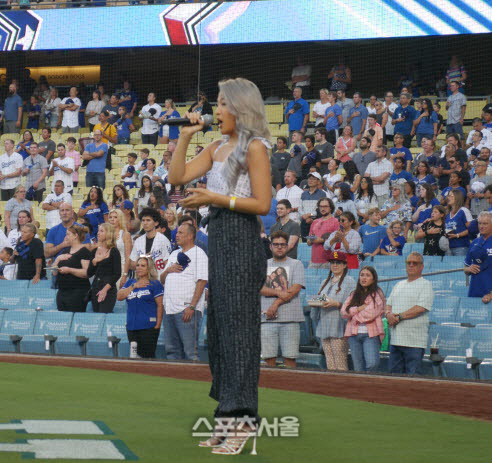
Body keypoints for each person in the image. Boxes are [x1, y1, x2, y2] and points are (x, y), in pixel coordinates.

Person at [169, 78, 271, 452]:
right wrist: (185, 136)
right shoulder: (214, 147)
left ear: (241, 108)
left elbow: (262, 204)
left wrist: (217, 197)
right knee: (221, 336)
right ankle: (227, 418)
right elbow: (177, 177)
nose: (217, 111)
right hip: (221, 243)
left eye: (223, 104)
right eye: (216, 104)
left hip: (243, 242)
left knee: (240, 334)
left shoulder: (255, 148)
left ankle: (244, 423)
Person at [161, 223, 208, 361]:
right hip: (169, 309)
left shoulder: (199, 253)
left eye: (181, 233)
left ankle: (193, 380)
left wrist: (192, 306)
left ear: (190, 235)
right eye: (177, 232)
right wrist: (168, 270)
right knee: (171, 351)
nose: (177, 235)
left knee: (190, 352)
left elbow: (202, 281)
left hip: (186, 309)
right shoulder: (174, 253)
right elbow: (162, 280)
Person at [260, 231, 304, 368]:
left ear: (287, 246)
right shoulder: (263, 264)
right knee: (268, 359)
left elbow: (295, 288)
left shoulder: (297, 264)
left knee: (290, 358)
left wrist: (275, 303)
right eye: (276, 244)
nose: (279, 247)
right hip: (266, 319)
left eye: (283, 245)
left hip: (290, 319)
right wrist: (279, 293)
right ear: (271, 246)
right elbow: (259, 287)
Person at [385, 252, 434, 375]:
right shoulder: (398, 285)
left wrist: (398, 317)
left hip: (414, 342)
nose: (411, 265)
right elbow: (388, 304)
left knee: (413, 378)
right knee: (394, 378)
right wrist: (388, 315)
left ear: (421, 266)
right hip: (396, 340)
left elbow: (420, 308)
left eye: (415, 263)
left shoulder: (426, 285)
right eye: (409, 263)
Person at [310, 251, 356, 371]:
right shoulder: (325, 281)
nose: (335, 265)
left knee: (340, 363)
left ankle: (342, 388)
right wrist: (315, 302)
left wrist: (336, 304)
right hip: (325, 324)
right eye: (332, 262)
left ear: (344, 265)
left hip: (339, 325)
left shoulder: (349, 281)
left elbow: (353, 305)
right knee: (330, 363)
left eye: (338, 263)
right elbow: (319, 300)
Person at [341, 266, 385, 372]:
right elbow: (343, 312)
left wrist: (352, 313)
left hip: (370, 335)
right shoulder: (353, 294)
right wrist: (360, 308)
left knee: (372, 363)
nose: (364, 278)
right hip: (353, 335)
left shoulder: (378, 294)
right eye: (362, 275)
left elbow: (370, 314)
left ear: (373, 279)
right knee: (358, 368)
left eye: (368, 275)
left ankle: (370, 386)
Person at [117, 256, 163, 358]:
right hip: (132, 327)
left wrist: (158, 325)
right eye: (137, 265)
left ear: (149, 268)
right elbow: (119, 296)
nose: (139, 268)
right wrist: (134, 286)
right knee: (134, 356)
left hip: (148, 327)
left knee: (148, 357)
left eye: (143, 266)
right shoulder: (130, 282)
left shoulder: (155, 283)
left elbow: (160, 305)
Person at [53, 225, 92, 312]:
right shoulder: (65, 251)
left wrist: (70, 270)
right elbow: (54, 273)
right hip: (62, 291)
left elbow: (86, 273)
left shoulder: (84, 252)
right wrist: (58, 259)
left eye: (68, 234)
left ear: (75, 236)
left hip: (77, 292)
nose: (65, 237)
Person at [87, 223, 121, 313]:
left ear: (109, 234)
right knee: (96, 316)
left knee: (104, 313)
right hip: (96, 288)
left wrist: (105, 290)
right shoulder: (94, 251)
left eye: (101, 231)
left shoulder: (114, 251)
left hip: (108, 289)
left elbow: (117, 274)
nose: (98, 233)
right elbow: (89, 273)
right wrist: (94, 262)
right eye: (98, 231)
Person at [130, 207, 171, 279]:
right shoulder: (138, 241)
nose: (145, 223)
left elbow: (167, 263)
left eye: (148, 220)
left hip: (158, 279)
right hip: (141, 280)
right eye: (143, 220)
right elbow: (132, 264)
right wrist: (143, 259)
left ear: (156, 223)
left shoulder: (163, 240)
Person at [464, 211, 492, 302]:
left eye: (485, 224)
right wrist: (469, 269)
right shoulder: (474, 243)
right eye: (479, 223)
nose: (481, 226)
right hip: (475, 291)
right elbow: (465, 268)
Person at [307, 197, 339, 267]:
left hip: (329, 261)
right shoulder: (314, 222)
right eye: (320, 206)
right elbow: (309, 241)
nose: (322, 208)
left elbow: (338, 240)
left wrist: (321, 240)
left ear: (331, 208)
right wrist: (311, 240)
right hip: (313, 261)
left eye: (325, 206)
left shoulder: (336, 221)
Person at [108, 208, 132, 289]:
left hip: (121, 267)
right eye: (110, 217)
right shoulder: (106, 234)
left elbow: (128, 256)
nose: (112, 219)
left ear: (120, 219)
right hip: (107, 268)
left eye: (115, 217)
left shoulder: (125, 234)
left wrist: (125, 275)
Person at [445, 189, 472, 256]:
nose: (448, 198)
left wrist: (457, 235)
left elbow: (471, 229)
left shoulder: (464, 211)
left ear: (457, 197)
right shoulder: (448, 214)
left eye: (451, 196)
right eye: (448, 196)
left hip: (461, 247)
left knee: (461, 267)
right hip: (449, 248)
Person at [299, 172, 326, 238]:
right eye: (309, 178)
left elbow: (320, 209)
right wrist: (304, 216)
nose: (310, 180)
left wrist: (310, 215)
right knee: (304, 242)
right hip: (304, 221)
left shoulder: (322, 194)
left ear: (318, 182)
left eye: (313, 179)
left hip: (316, 221)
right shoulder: (304, 194)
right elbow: (300, 208)